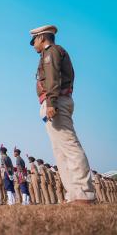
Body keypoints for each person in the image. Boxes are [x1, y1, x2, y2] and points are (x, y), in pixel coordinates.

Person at [30, 25, 94, 204]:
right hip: (54, 100)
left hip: (55, 101)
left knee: (69, 146)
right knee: (60, 152)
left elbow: (52, 78)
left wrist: (51, 102)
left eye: (34, 40)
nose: (33, 44)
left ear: (42, 37)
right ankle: (74, 194)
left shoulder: (51, 52)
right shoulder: (49, 53)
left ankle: (84, 193)